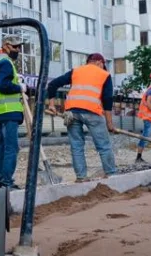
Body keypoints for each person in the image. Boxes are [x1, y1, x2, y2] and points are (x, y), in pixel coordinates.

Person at [46, 53, 118, 182]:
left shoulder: (76, 71)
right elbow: (107, 100)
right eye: (103, 65)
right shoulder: (104, 75)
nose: (103, 68)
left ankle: (81, 177)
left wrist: (52, 104)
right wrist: (109, 124)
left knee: (76, 146)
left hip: (71, 113)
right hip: (92, 112)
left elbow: (52, 85)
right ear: (99, 62)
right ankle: (111, 174)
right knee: (103, 146)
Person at [0, 35, 26, 188]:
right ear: (7, 46)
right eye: (15, 47)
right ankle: (7, 182)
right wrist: (19, 87)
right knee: (11, 148)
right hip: (8, 112)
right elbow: (3, 85)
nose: (18, 50)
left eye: (19, 48)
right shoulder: (6, 63)